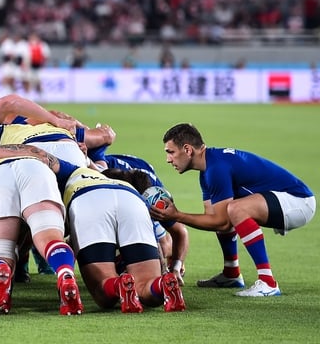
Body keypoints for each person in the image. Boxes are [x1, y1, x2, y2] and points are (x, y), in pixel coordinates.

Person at [156, 123, 315, 296]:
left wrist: (177, 215)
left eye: (170, 152)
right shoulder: (208, 170)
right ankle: (231, 273)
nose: (168, 159)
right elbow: (214, 219)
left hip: (298, 201)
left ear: (187, 150)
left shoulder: (216, 168)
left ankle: (268, 283)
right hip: (284, 200)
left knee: (235, 209)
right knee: (226, 210)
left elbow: (222, 223)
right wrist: (178, 216)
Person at [0, 143, 84, 315]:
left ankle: (1, 270)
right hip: (35, 169)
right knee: (50, 238)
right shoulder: (28, 147)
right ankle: (65, 272)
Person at [51, 154, 186, 313]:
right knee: (147, 285)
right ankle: (162, 285)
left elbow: (66, 241)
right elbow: (163, 243)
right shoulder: (127, 187)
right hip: (132, 201)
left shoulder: (73, 171)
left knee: (103, 293)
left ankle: (118, 285)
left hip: (88, 199)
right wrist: (167, 270)